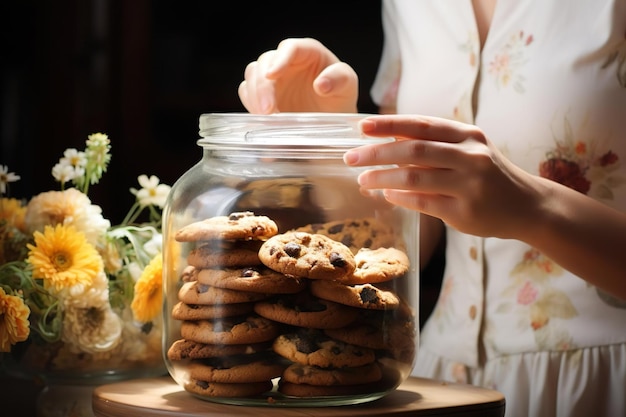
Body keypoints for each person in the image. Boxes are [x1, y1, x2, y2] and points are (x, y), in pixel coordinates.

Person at [237, 1, 626, 416]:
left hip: (602, 382)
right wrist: (332, 138)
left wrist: (537, 208)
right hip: (439, 383)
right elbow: (407, 240)